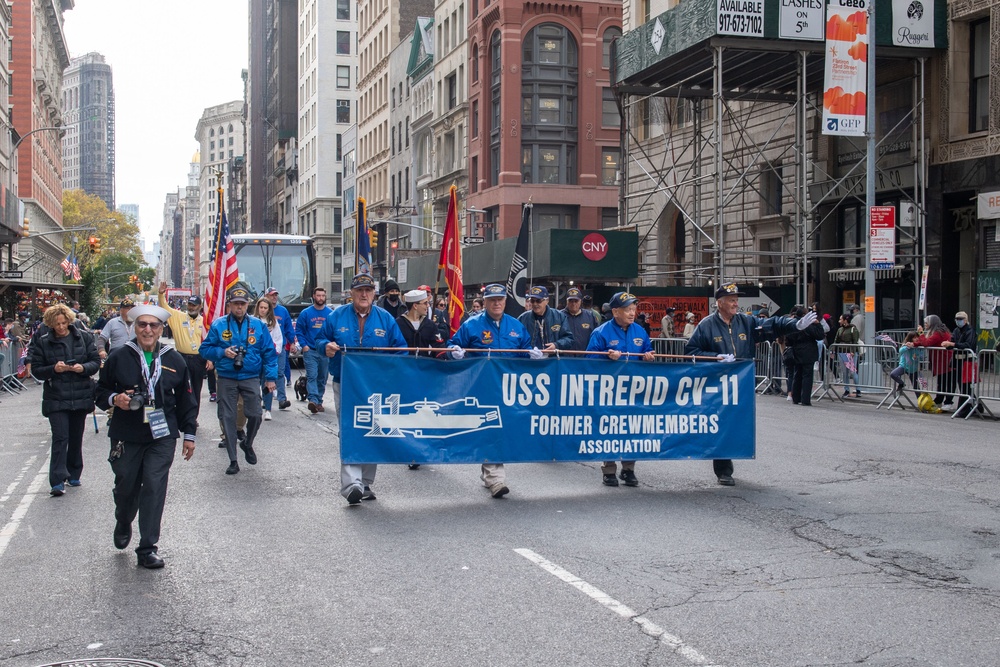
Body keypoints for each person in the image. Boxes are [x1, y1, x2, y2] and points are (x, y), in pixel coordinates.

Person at [95, 304, 197, 569]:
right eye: (142, 325)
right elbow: (99, 391)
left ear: (162, 329)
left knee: (154, 485)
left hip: (162, 433)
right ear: (135, 328)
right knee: (126, 485)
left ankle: (147, 547)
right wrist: (113, 399)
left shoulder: (174, 359)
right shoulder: (119, 355)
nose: (148, 330)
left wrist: (190, 434)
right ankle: (123, 518)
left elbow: (187, 400)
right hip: (127, 432)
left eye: (153, 326)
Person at [685, 282, 817, 486]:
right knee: (721, 426)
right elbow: (691, 352)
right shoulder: (706, 325)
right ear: (720, 303)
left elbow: (773, 324)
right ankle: (723, 470)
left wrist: (795, 325)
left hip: (741, 386)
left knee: (737, 424)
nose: (736, 304)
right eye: (731, 300)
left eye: (736, 300)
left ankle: (735, 454)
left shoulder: (746, 322)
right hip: (717, 387)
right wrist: (715, 357)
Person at [315, 274, 408, 505]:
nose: (364, 294)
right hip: (345, 382)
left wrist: (390, 369)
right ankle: (351, 484)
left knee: (373, 429)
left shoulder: (385, 319)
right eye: (359, 290)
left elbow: (401, 349)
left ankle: (365, 482)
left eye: (368, 290)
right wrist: (325, 346)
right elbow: (319, 340)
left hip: (376, 385)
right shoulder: (336, 317)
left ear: (374, 293)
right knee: (350, 428)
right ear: (351, 293)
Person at [448, 283, 543, 499]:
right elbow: (453, 345)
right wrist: (454, 351)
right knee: (492, 427)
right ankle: (495, 478)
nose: (497, 303)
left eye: (500, 299)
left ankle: (489, 471)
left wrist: (532, 355)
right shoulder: (472, 325)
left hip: (510, 388)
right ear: (486, 302)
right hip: (482, 387)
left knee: (503, 429)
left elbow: (525, 349)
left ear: (505, 301)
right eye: (492, 300)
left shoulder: (516, 326)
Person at [199, 287, 279, 475]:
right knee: (227, 417)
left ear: (247, 305)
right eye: (236, 304)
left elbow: (269, 352)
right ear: (230, 305)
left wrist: (270, 378)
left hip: (250, 376)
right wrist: (222, 353)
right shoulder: (219, 325)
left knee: (256, 415)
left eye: (243, 304)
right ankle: (233, 460)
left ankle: (247, 443)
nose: (239, 308)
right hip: (226, 377)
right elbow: (204, 349)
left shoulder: (258, 325)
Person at [29, 303, 102, 496]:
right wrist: (54, 369)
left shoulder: (84, 337)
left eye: (63, 323)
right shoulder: (44, 342)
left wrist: (82, 368)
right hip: (56, 396)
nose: (61, 327)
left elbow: (95, 362)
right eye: (57, 324)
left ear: (70, 321)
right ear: (51, 324)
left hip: (80, 394)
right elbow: (36, 370)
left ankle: (74, 472)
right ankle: (57, 480)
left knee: (76, 436)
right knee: (60, 437)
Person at [586, 291, 655, 487]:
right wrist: (606, 357)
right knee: (609, 428)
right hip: (609, 391)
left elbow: (647, 350)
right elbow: (589, 361)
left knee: (632, 428)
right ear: (615, 312)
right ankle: (609, 470)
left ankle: (628, 469)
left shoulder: (640, 332)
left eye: (633, 309)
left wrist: (648, 356)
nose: (632, 313)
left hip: (633, 390)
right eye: (627, 310)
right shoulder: (601, 332)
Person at [157, 282, 208, 407]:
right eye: (190, 305)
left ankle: (192, 418)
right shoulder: (178, 317)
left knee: (195, 389)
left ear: (200, 306)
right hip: (181, 358)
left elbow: (209, 341)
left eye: (194, 305)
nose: (191, 307)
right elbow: (164, 307)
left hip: (198, 359)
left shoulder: (205, 321)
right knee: (181, 388)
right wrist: (161, 294)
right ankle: (182, 415)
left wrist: (209, 359)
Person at [296, 286, 333, 414]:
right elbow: (299, 330)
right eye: (318, 295)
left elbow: (334, 331)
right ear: (313, 296)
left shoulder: (330, 313)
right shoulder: (306, 313)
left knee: (322, 377)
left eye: (323, 296)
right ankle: (313, 400)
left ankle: (319, 400)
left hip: (324, 351)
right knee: (312, 375)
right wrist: (303, 345)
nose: (321, 298)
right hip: (310, 350)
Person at [783, 305, 826, 407]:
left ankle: (796, 397)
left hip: (796, 351)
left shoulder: (793, 324)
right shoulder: (807, 325)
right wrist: (818, 324)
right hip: (808, 351)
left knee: (797, 374)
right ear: (804, 315)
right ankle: (805, 399)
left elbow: (788, 340)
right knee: (807, 375)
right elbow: (820, 335)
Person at [909, 314, 952, 408]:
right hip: (940, 361)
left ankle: (948, 401)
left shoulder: (938, 333)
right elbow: (925, 341)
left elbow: (926, 343)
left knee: (946, 382)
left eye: (926, 323)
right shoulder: (936, 332)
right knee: (941, 382)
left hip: (944, 360)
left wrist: (920, 333)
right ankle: (939, 399)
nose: (925, 324)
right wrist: (914, 344)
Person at [263, 287, 296, 410]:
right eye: (271, 295)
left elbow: (288, 328)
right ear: (266, 296)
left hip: (280, 348)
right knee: (265, 375)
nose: (274, 297)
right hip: (265, 350)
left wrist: (292, 342)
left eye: (276, 295)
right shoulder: (263, 311)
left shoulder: (282, 311)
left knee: (280, 373)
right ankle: (265, 399)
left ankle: (282, 399)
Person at [253, 297, 284, 421]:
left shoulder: (273, 323)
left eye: (265, 308)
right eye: (261, 307)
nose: (263, 310)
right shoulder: (252, 321)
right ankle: (255, 407)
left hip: (268, 357)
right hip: (255, 357)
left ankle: (268, 409)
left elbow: (278, 339)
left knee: (268, 383)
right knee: (254, 384)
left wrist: (274, 350)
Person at [942, 311, 977, 416]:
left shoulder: (970, 331)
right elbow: (953, 342)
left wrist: (952, 344)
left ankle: (964, 409)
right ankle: (976, 406)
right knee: (962, 385)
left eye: (960, 319)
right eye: (957, 319)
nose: (958, 321)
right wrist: (947, 345)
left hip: (967, 362)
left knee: (965, 386)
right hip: (957, 362)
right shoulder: (956, 330)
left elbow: (968, 345)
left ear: (965, 320)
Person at [518, 285, 574, 352]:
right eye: (532, 301)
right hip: (530, 359)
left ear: (547, 300)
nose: (535, 304)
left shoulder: (559, 316)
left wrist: (556, 345)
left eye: (538, 301)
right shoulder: (523, 318)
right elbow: (516, 340)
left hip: (552, 359)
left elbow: (569, 339)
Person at [833, 313, 862, 397]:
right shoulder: (840, 329)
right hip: (841, 352)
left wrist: (853, 351)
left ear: (845, 320)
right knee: (844, 372)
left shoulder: (853, 329)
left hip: (850, 353)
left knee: (853, 372)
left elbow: (855, 341)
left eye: (841, 319)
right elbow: (836, 340)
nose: (839, 321)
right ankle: (846, 390)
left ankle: (858, 389)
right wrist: (833, 351)